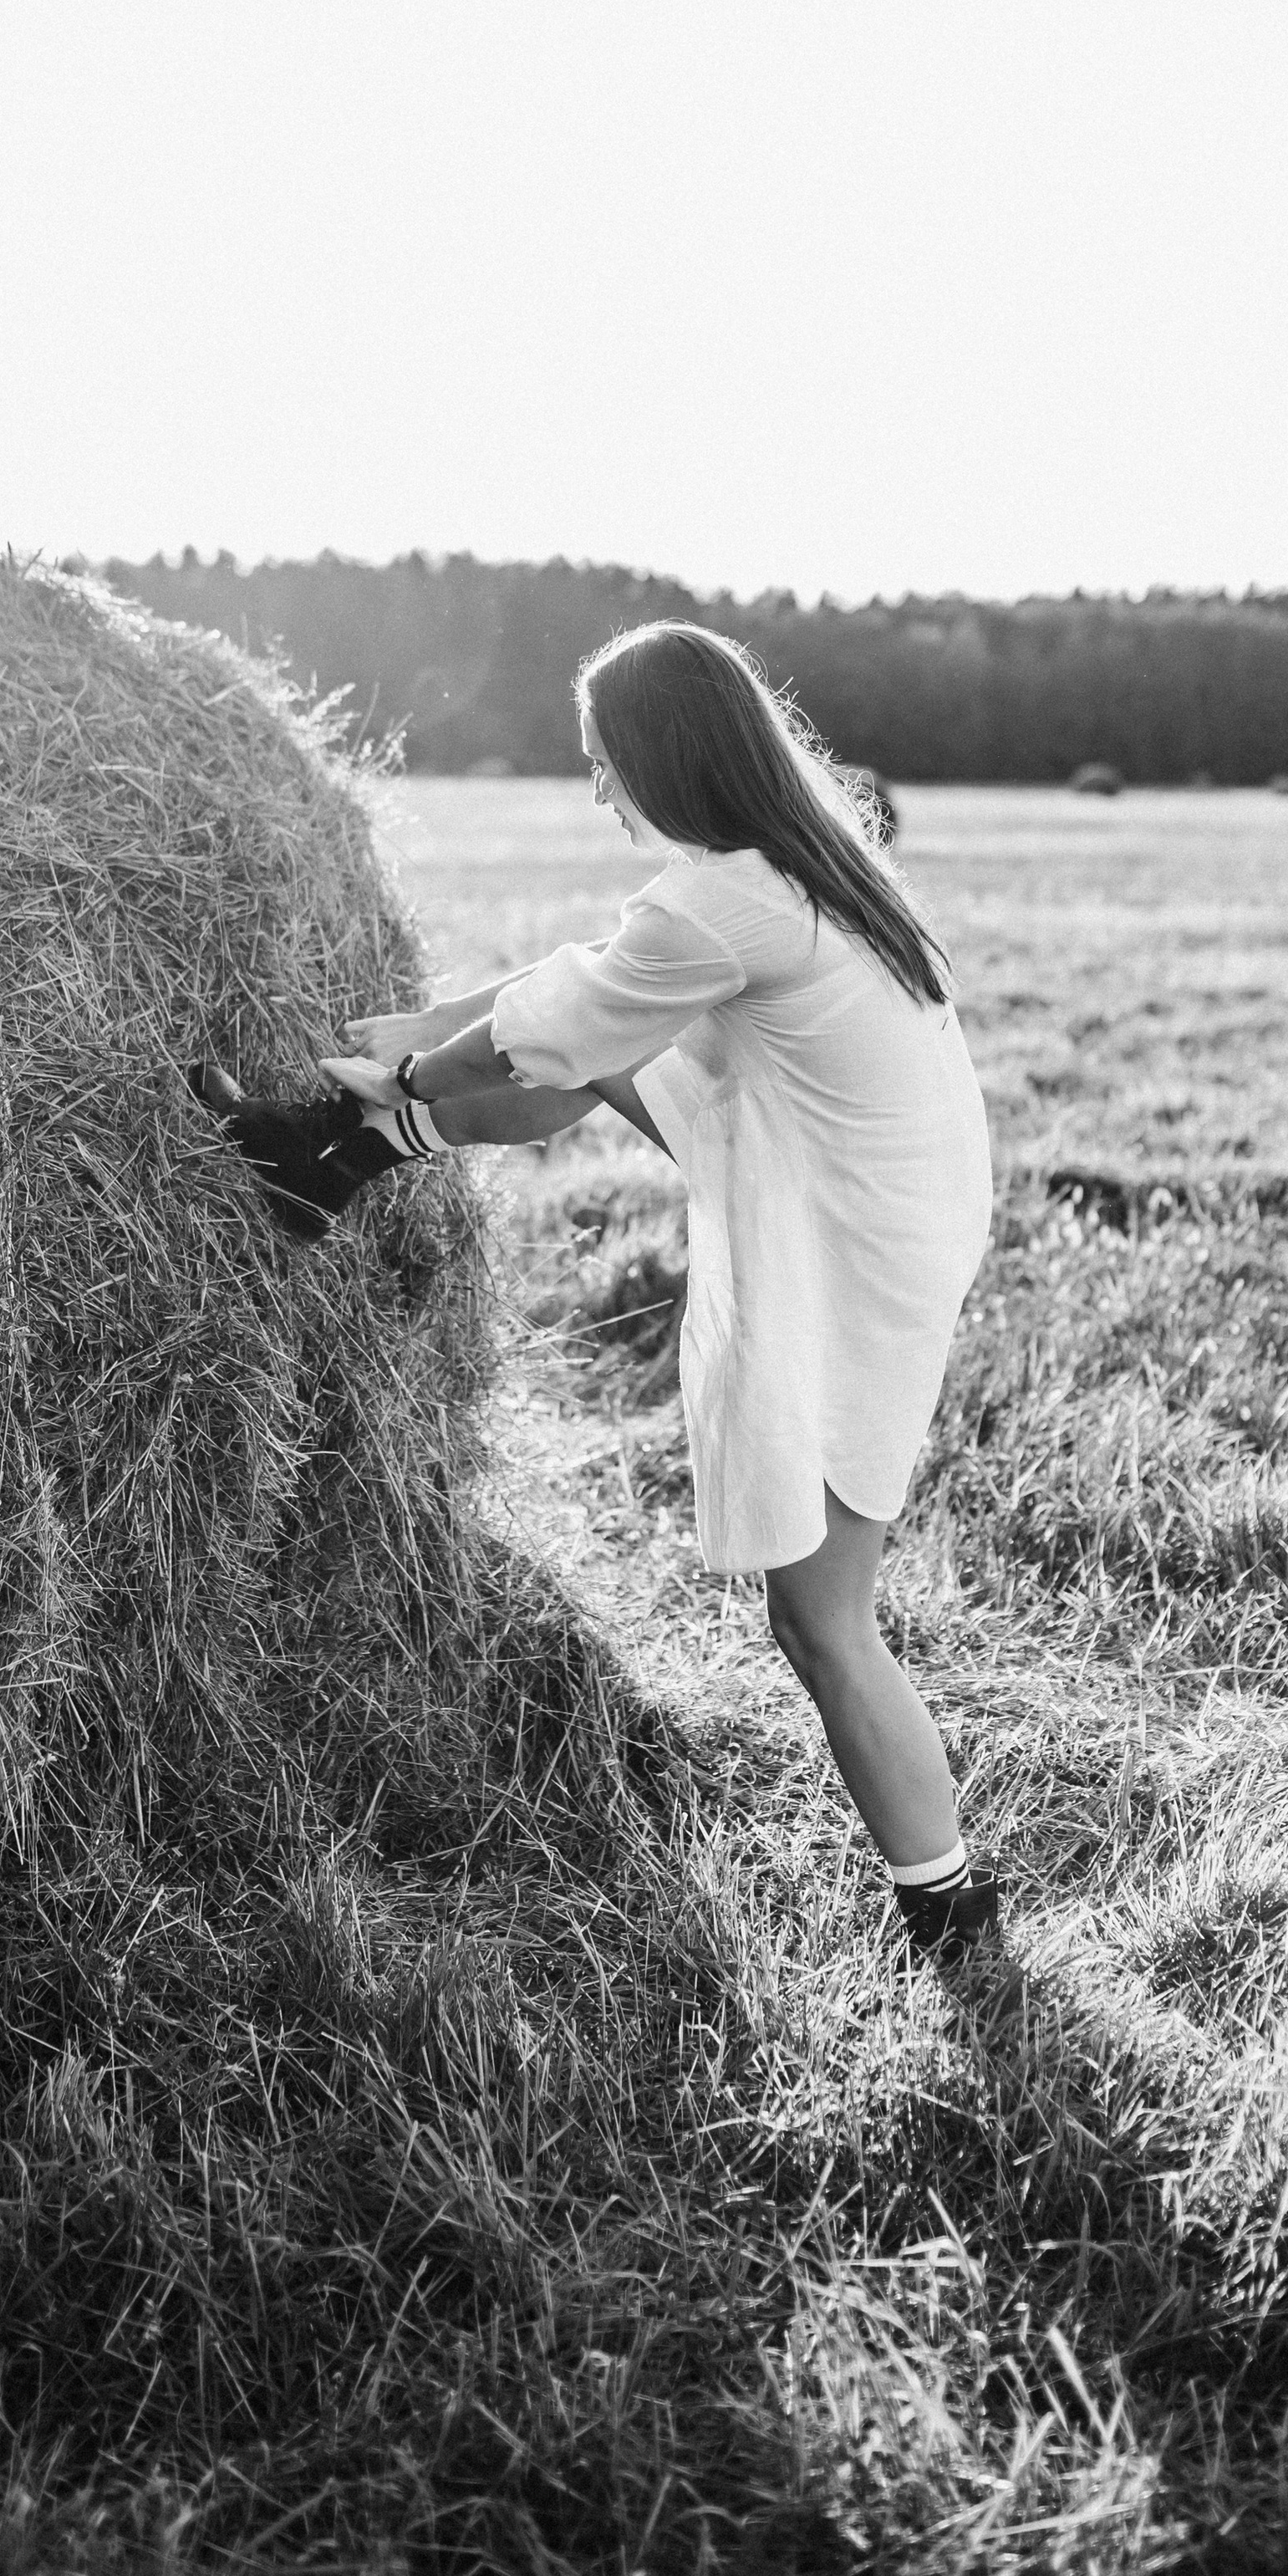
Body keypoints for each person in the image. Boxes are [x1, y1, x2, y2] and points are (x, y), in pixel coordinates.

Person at [192, 623, 999, 1954]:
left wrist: (413, 1069)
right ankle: (329, 1159)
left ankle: (951, 1911)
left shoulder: (724, 905)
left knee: (821, 1619)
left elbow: (559, 1019)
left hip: (851, 1242)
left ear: (661, 756)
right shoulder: (798, 867)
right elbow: (583, 988)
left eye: (602, 761)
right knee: (598, 1041)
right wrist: (414, 1034)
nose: (596, 790)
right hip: (889, 1206)